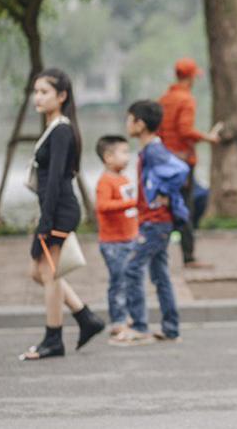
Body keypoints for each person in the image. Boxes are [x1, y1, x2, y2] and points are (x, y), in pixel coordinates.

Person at [20, 69, 105, 361]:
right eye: (36, 91)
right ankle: (85, 317)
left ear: (62, 96)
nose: (38, 97)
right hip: (53, 210)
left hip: (60, 210)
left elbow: (56, 179)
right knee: (39, 272)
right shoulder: (53, 127)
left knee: (50, 274)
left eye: (44, 92)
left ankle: (53, 338)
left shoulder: (61, 130)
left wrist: (45, 222)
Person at [114, 100, 187, 346]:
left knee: (132, 268)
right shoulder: (148, 150)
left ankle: (140, 327)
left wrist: (160, 194)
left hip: (155, 223)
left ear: (140, 123)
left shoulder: (154, 150)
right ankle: (170, 328)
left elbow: (180, 171)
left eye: (129, 118)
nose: (127, 124)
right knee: (160, 274)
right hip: (155, 221)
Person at [157, 58, 220, 269]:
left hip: (164, 161)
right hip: (183, 163)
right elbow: (185, 131)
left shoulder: (164, 99)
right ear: (191, 77)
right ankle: (189, 256)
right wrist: (208, 138)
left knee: (168, 206)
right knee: (187, 207)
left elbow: (160, 131)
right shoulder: (186, 100)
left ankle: (163, 251)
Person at [95, 135, 139, 338]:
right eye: (123, 152)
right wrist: (132, 203)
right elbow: (103, 206)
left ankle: (127, 315)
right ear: (108, 157)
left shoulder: (124, 178)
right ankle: (118, 320)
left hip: (130, 238)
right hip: (113, 243)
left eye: (128, 152)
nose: (128, 157)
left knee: (130, 280)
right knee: (118, 281)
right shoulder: (106, 181)